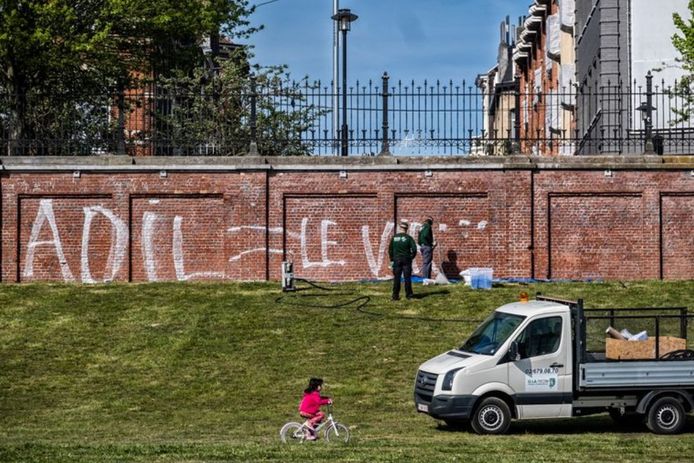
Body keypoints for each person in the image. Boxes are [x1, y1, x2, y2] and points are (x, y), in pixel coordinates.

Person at [388, 220, 417, 301]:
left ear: (400, 228)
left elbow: (390, 249)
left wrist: (392, 259)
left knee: (397, 278)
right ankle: (409, 296)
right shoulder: (409, 238)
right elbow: (414, 249)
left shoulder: (394, 237)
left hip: (396, 259)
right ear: (406, 229)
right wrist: (411, 257)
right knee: (407, 278)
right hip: (406, 259)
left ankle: (395, 296)